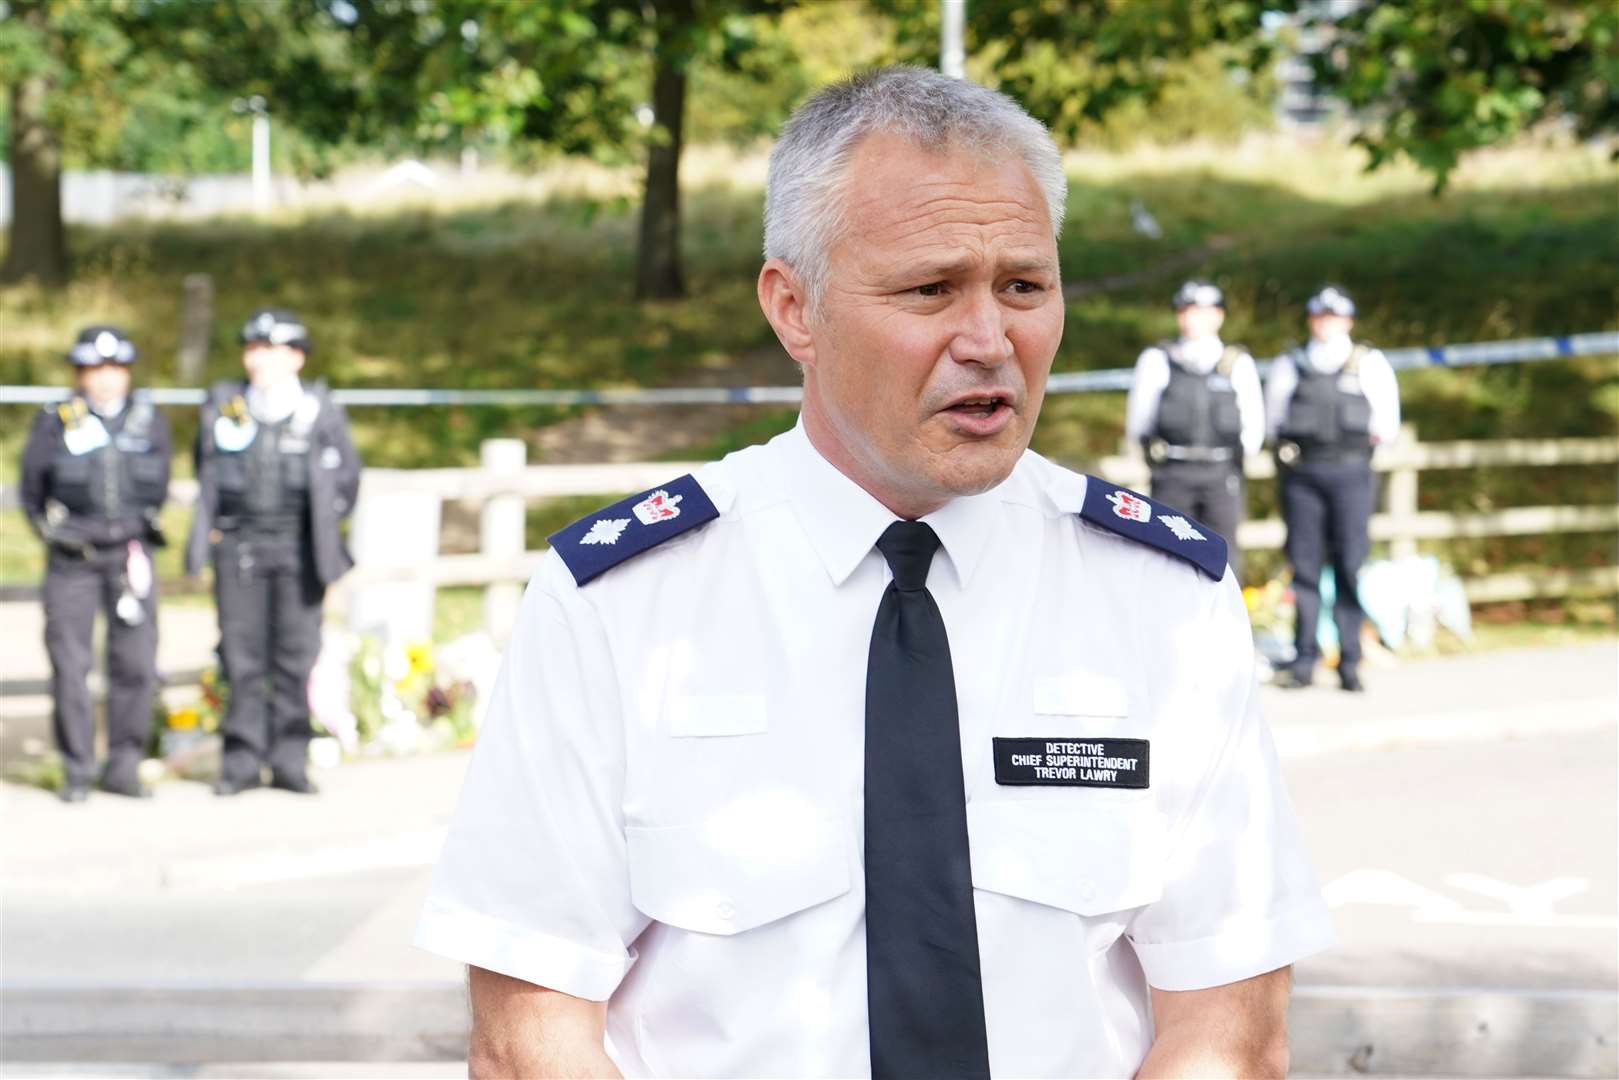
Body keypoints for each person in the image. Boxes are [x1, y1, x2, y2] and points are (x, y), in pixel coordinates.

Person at [417, 67, 1333, 1078]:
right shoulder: (624, 606)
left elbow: (1226, 1023)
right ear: (794, 308)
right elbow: (532, 1030)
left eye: (1022, 286)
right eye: (928, 289)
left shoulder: (1162, 601)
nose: (989, 341)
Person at [186, 308, 361, 795]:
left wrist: (326, 524)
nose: (256, 358)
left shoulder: (319, 410)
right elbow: (204, 464)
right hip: (240, 548)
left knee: (295, 657)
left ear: (297, 358)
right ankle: (240, 763)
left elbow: (347, 475)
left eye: (269, 349)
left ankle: (289, 761)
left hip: (299, 550)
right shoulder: (225, 405)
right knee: (242, 659)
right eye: (251, 348)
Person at [20, 326, 170, 802]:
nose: (104, 380)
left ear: (127, 373)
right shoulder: (55, 421)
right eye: (93, 370)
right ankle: (77, 769)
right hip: (73, 560)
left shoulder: (150, 420)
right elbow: (31, 490)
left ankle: (125, 766)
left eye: (113, 369)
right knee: (70, 665)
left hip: (129, 557)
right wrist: (55, 534)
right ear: (80, 374)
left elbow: (161, 485)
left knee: (136, 664)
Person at [1265, 285, 1401, 692]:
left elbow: (1386, 425)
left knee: (1349, 565)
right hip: (1304, 475)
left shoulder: (1368, 363)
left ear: (1348, 321)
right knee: (1304, 568)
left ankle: (1349, 660)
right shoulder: (1292, 363)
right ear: (1311, 320)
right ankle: (1304, 659)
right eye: (1320, 317)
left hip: (1351, 474)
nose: (1326, 324)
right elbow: (1274, 421)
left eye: (1335, 317)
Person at [1123, 280, 1263, 578]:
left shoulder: (1236, 362)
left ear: (1219, 315)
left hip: (1221, 471)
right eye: (1188, 310)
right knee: (1166, 557)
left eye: (1203, 311)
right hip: (1173, 471)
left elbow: (1253, 425)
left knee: (1224, 559)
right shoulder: (1158, 359)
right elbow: (1140, 422)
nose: (1194, 318)